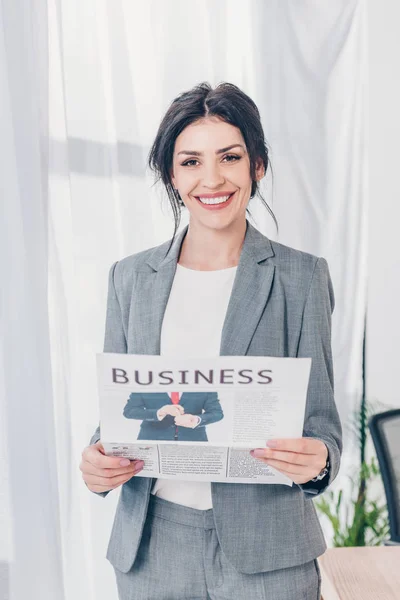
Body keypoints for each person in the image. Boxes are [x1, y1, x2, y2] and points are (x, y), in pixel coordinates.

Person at [80, 82, 342, 600]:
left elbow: (321, 425)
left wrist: (319, 463)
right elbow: (122, 410)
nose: (213, 178)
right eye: (192, 161)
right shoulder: (129, 278)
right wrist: (96, 460)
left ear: (257, 166)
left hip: (268, 551)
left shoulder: (301, 278)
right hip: (153, 547)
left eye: (230, 157)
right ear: (172, 176)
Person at [123, 391, 223, 441]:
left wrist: (197, 420)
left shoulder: (205, 383)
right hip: (152, 440)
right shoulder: (144, 381)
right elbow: (129, 411)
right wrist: (159, 412)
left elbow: (217, 413)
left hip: (193, 441)